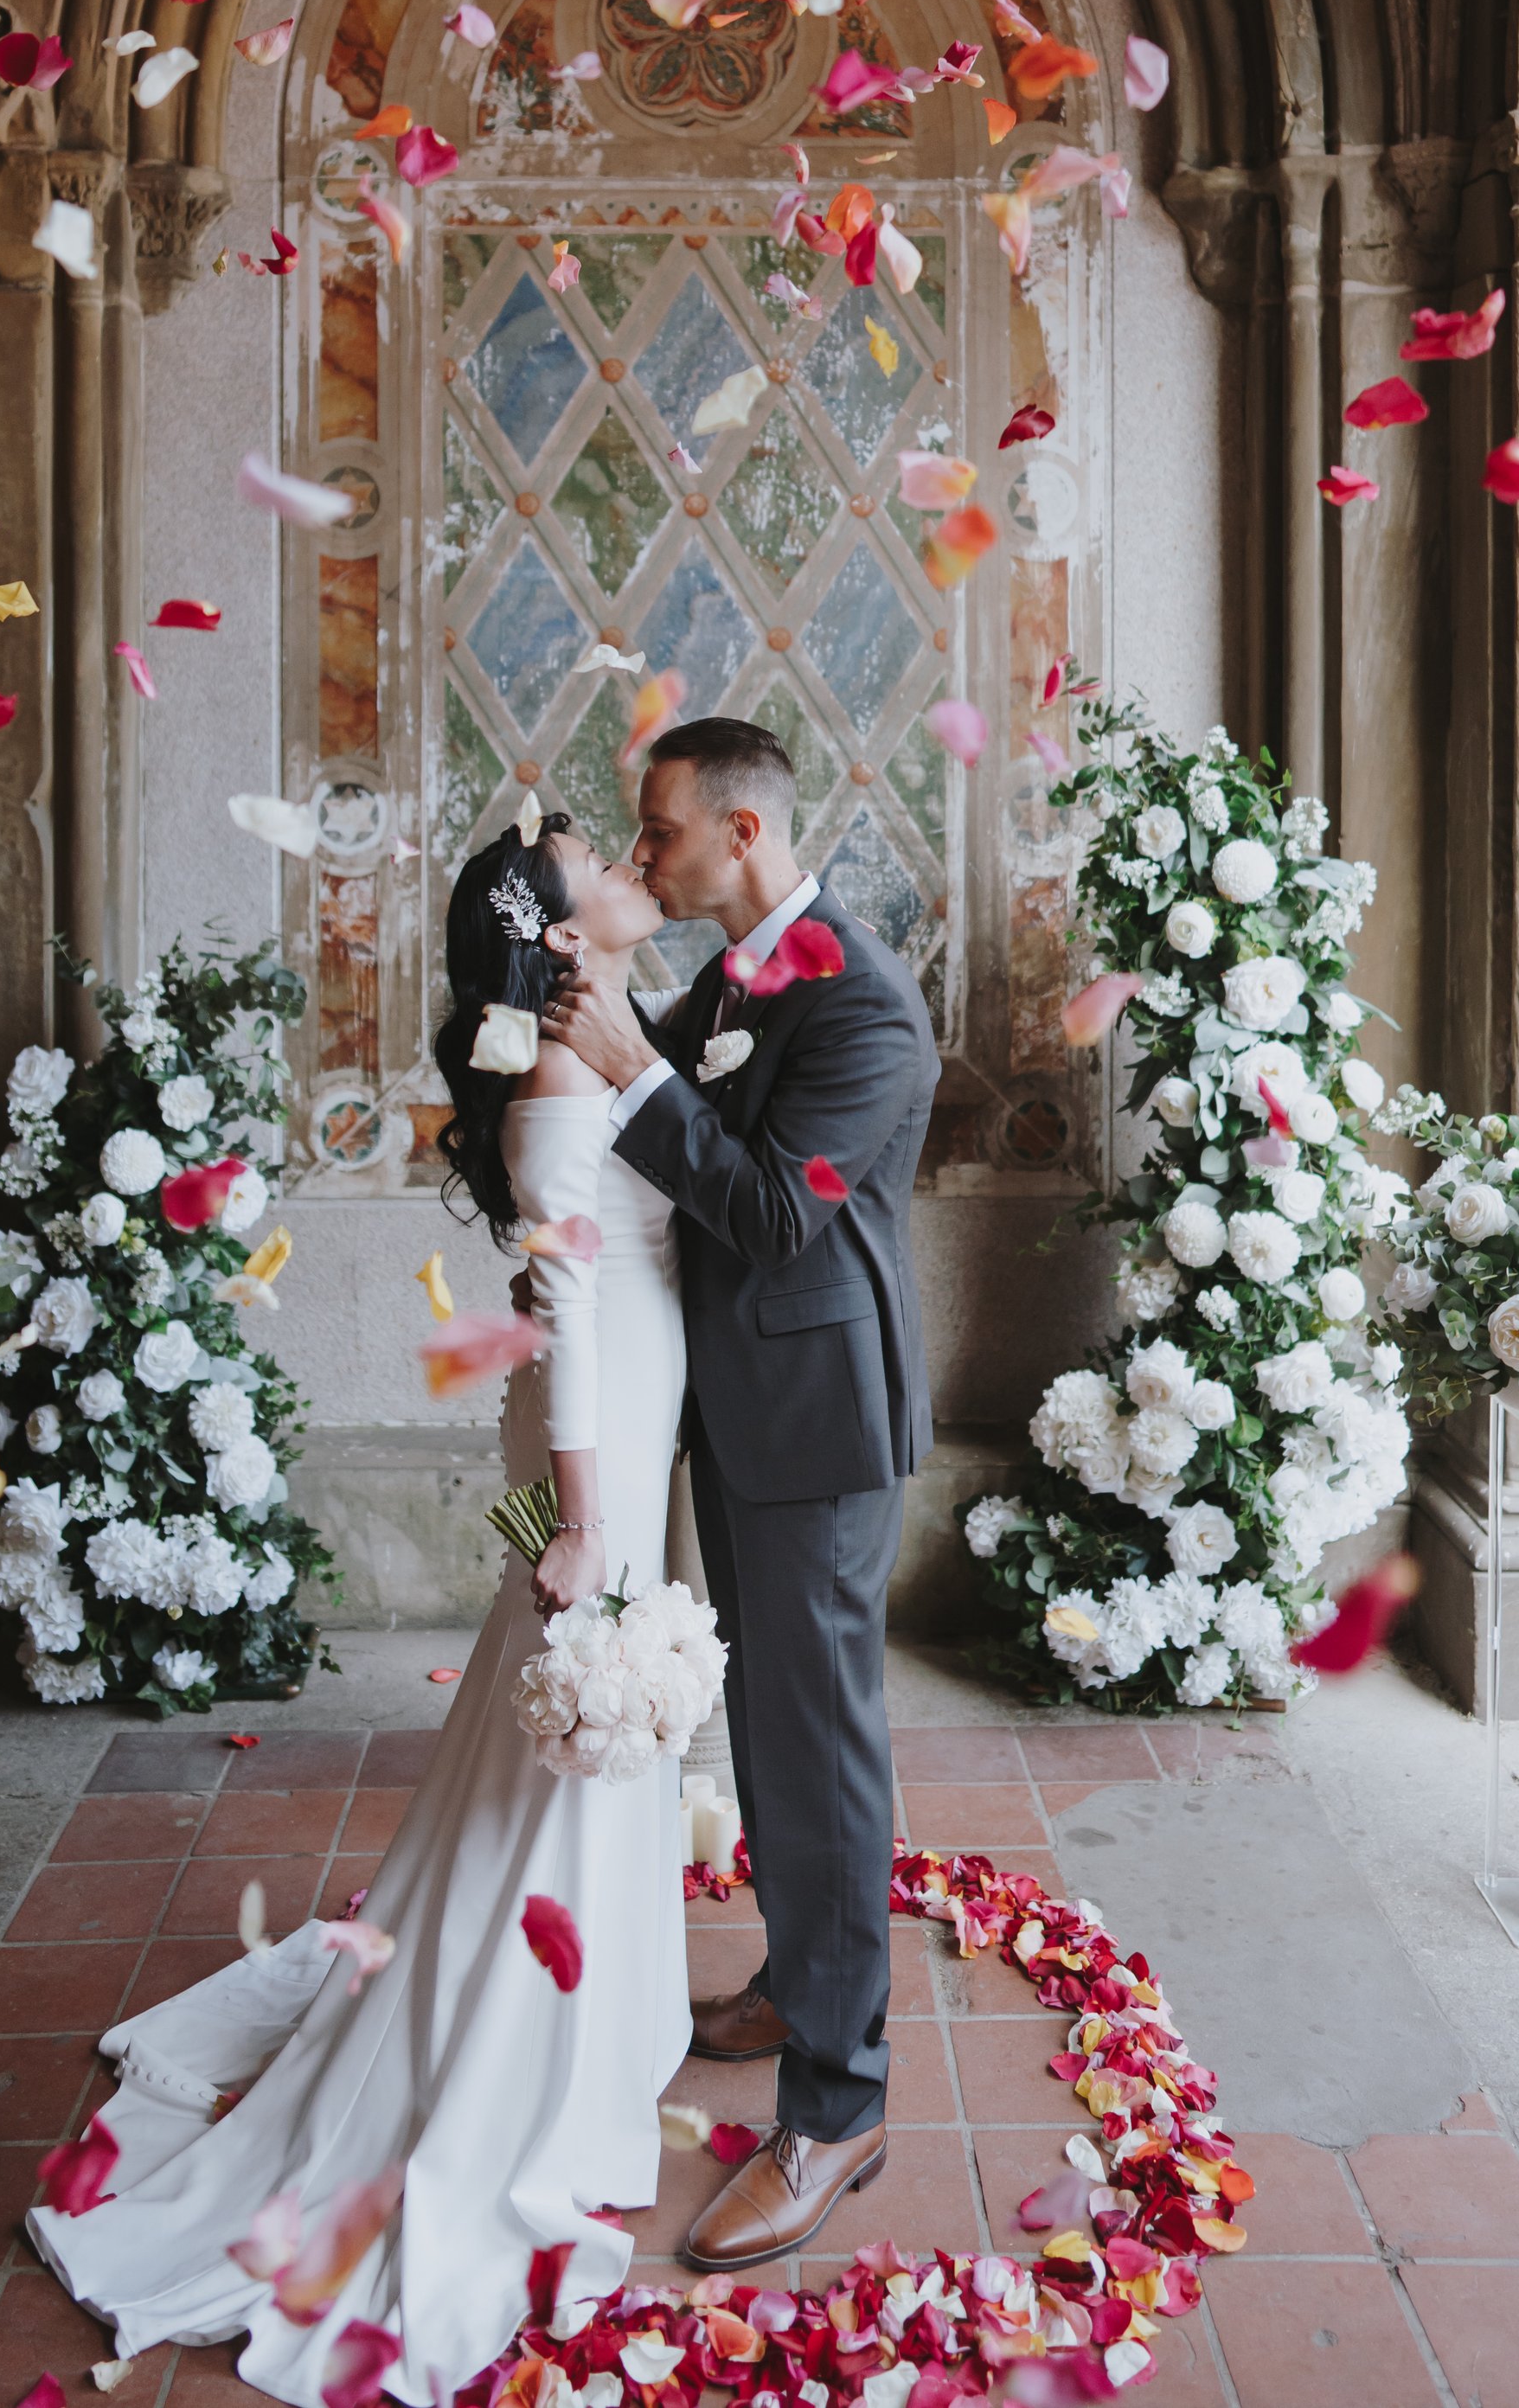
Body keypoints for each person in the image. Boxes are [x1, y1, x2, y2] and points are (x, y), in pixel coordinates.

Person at [29, 816, 694, 2405]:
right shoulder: (549, 1090)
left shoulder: (604, 1042)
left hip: (620, 1426)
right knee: (569, 1711)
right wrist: (591, 1523)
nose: (629, 864)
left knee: (566, 1728)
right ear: (552, 927)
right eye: (604, 854)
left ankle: (586, 2024)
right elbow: (570, 1312)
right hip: (587, 1447)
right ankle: (515, 2069)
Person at [540, 715, 939, 2269]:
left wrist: (635, 1063)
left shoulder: (866, 1004)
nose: (647, 854)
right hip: (740, 1413)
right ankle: (796, 1966)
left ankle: (837, 2107)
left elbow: (775, 1214)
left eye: (662, 832)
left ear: (747, 832)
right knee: (765, 1721)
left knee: (823, 1754)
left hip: (820, 1427)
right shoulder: (737, 970)